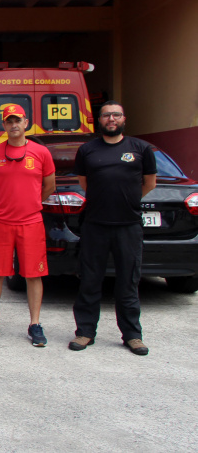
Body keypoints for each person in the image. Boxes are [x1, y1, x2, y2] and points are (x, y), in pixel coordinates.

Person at [70, 101, 156, 356]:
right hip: (95, 225)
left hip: (128, 226)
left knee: (128, 282)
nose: (111, 119)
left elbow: (149, 183)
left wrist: (126, 201)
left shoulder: (140, 148)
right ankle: (85, 332)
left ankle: (132, 335)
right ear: (100, 120)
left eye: (116, 114)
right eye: (106, 115)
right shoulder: (87, 150)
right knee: (90, 281)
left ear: (123, 119)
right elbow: (85, 183)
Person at [0, 104, 55, 346]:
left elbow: (49, 185)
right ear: (4, 125)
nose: (13, 125)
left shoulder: (41, 153)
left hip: (31, 222)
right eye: (9, 121)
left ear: (26, 122)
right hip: (1, 222)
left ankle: (35, 324)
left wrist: (31, 203)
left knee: (34, 273)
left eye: (17, 120)